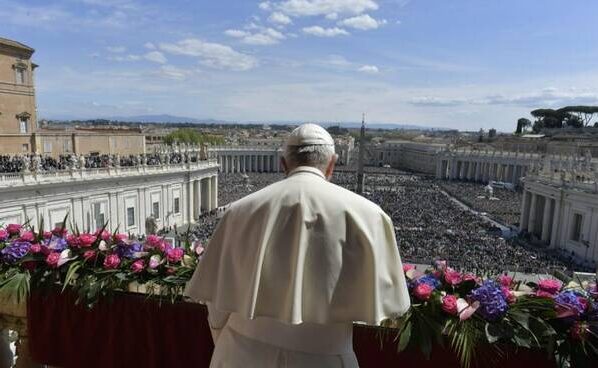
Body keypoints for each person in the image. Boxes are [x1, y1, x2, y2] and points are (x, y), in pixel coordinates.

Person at [185, 123, 410, 368]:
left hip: (240, 354)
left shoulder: (239, 211)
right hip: (326, 359)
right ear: (332, 164)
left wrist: (224, 340)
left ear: (283, 164)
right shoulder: (371, 217)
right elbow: (391, 307)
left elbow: (219, 299)